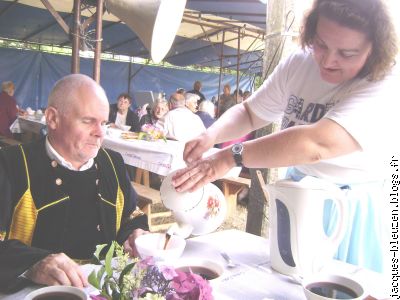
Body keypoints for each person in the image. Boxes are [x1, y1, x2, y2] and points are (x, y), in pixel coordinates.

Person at [172, 0, 399, 275]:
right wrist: (211, 135)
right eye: (321, 44)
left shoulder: (385, 82)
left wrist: (229, 156)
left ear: (375, 50)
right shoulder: (300, 62)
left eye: (348, 53)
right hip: (299, 194)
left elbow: (316, 144)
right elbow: (251, 111)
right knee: (287, 281)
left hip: (353, 209)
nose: (328, 60)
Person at [0, 74, 149, 293]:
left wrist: (135, 234)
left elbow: (130, 215)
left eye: (104, 123)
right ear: (52, 119)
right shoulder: (11, 165)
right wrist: (33, 264)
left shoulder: (112, 163)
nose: (100, 133)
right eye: (88, 121)